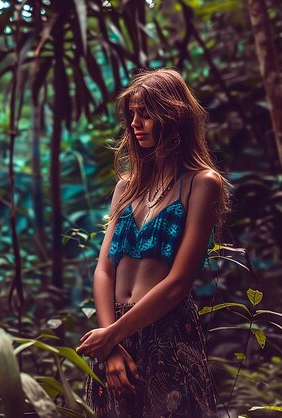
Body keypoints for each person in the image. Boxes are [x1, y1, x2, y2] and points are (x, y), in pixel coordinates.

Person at [75, 68, 229, 417]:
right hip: (113, 334)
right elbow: (104, 269)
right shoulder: (126, 187)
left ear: (172, 115)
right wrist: (110, 343)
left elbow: (177, 283)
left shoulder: (202, 183)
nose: (135, 123)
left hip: (166, 331)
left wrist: (111, 335)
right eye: (131, 114)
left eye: (145, 113)